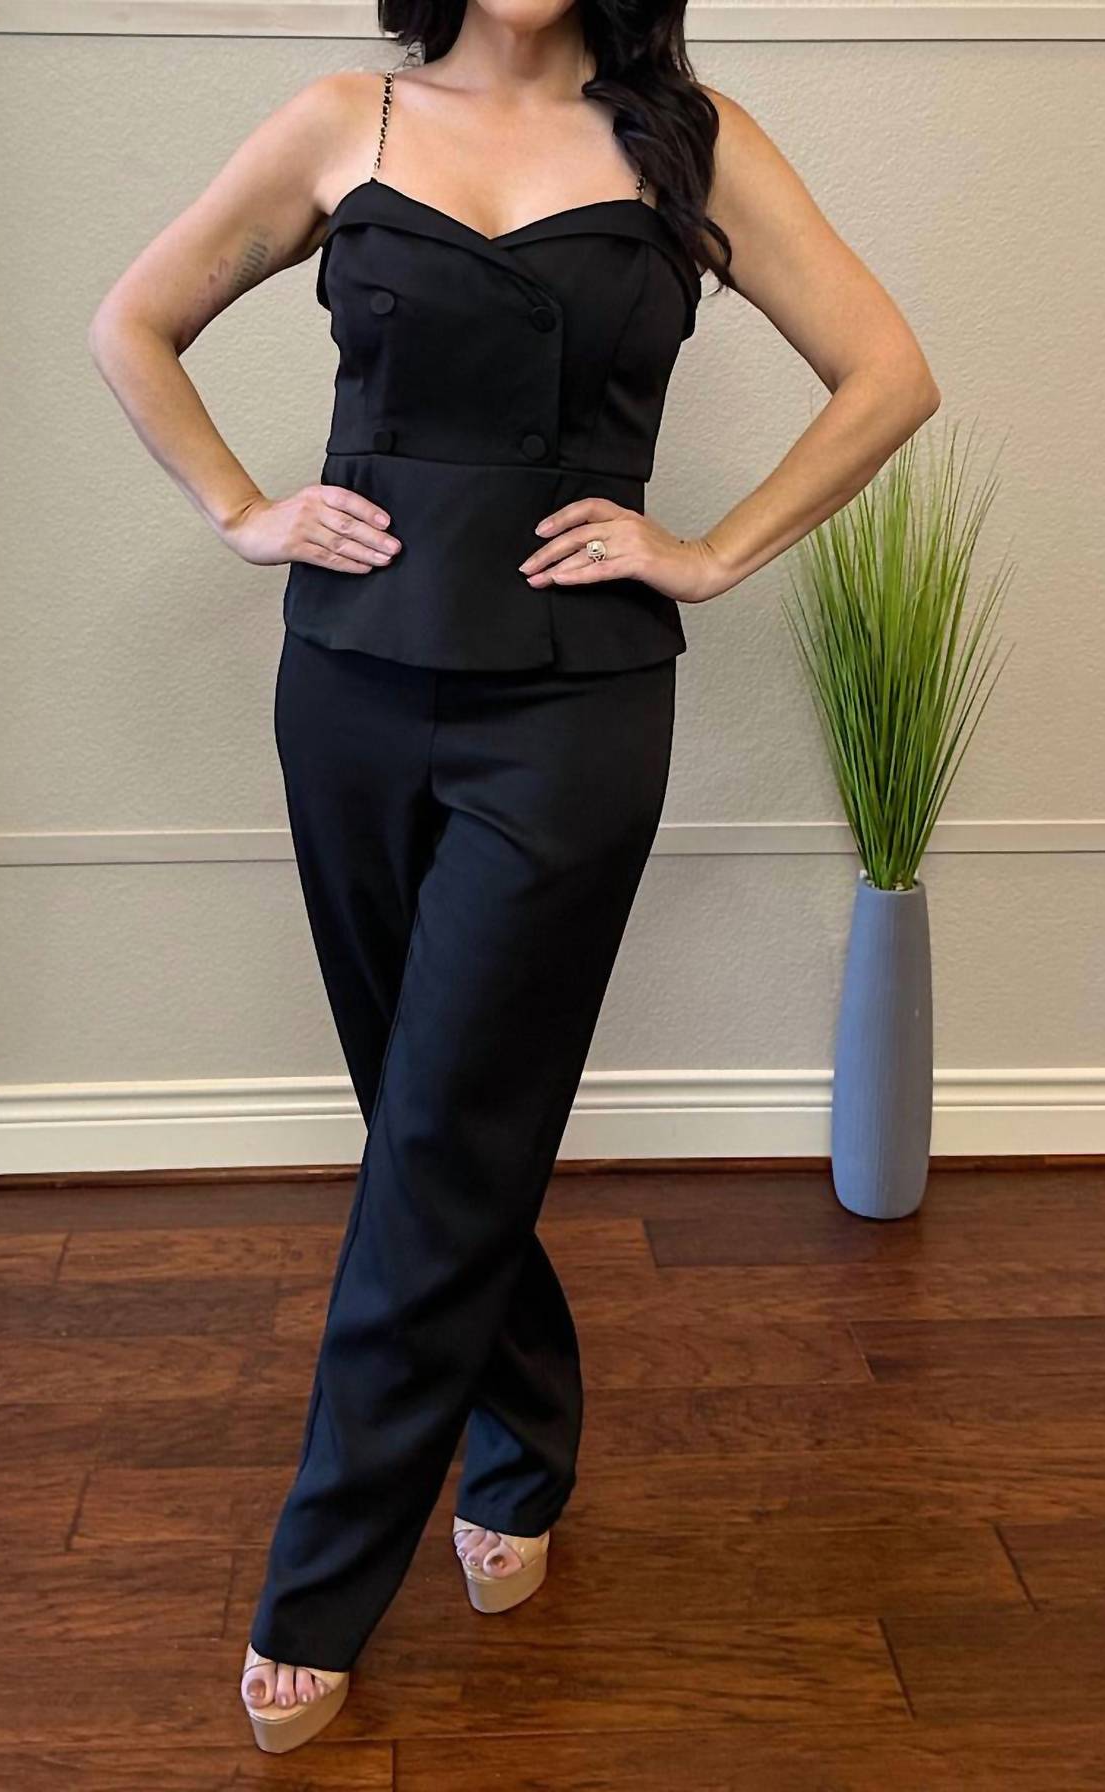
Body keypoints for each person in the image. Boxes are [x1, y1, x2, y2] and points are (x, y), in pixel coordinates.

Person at [88, 0, 938, 1756]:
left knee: (446, 1123)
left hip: (573, 702)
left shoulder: (689, 138)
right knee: (428, 1114)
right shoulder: (343, 118)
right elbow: (133, 322)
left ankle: (322, 1578)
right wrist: (244, 509)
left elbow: (889, 374)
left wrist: (710, 552)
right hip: (349, 681)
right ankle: (525, 1437)